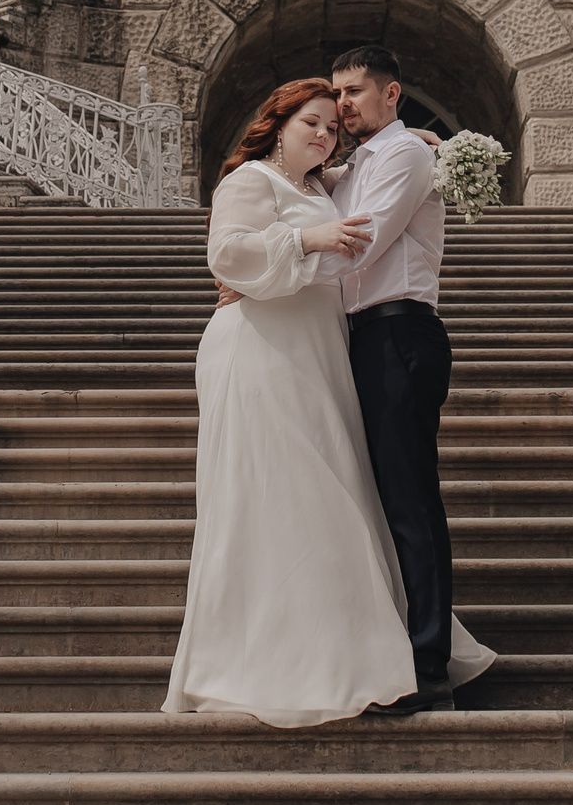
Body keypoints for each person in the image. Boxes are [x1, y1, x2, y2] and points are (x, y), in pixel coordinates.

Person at [161, 79, 487, 726]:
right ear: (276, 122)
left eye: (331, 128)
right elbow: (225, 253)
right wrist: (309, 241)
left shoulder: (321, 186)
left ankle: (340, 646)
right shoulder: (251, 180)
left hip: (317, 354)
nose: (322, 134)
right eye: (310, 122)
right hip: (261, 350)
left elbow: (367, 164)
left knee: (327, 495)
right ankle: (261, 658)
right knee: (278, 493)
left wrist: (419, 139)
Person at [321, 43, 489, 715]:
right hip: (358, 337)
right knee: (374, 499)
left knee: (411, 501)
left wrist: (278, 270)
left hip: (398, 333)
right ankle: (388, 644)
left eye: (356, 90)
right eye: (337, 92)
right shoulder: (357, 162)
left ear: (392, 94)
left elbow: (364, 236)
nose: (343, 104)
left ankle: (428, 661)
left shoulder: (405, 155)